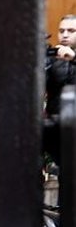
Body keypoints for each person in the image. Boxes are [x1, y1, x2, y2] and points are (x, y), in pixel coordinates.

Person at [45, 14, 76, 163]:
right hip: (57, 123)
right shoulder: (52, 59)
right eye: (61, 31)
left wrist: (74, 58)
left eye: (71, 31)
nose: (64, 35)